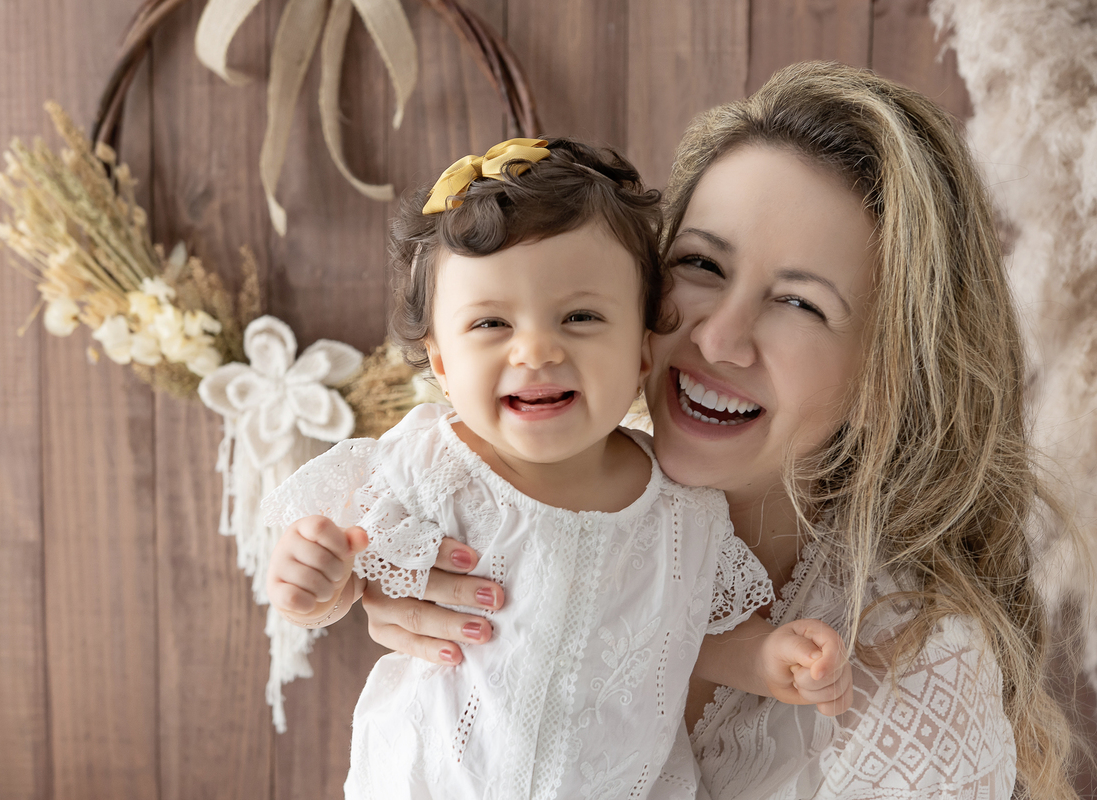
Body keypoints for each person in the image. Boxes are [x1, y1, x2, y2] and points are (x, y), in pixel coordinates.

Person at [359, 63, 1080, 800]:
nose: (720, 338)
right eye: (701, 264)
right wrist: (388, 581)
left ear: (888, 376)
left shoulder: (914, 684)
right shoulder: (528, 486)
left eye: (800, 304)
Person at [263, 137, 853, 799]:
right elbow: (359, 566)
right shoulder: (429, 466)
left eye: (581, 316)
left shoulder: (682, 512)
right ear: (440, 364)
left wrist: (770, 661)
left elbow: (689, 636)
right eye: (491, 323)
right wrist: (319, 582)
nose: (537, 350)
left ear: (640, 351)